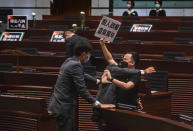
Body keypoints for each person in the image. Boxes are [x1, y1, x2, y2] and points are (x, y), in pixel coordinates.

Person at [48, 39, 115, 131]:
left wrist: (98, 81)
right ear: (84, 54)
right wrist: (98, 104)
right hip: (64, 107)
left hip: (57, 104)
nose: (88, 56)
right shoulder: (75, 65)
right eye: (88, 54)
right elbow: (82, 90)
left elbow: (82, 74)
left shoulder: (69, 61)